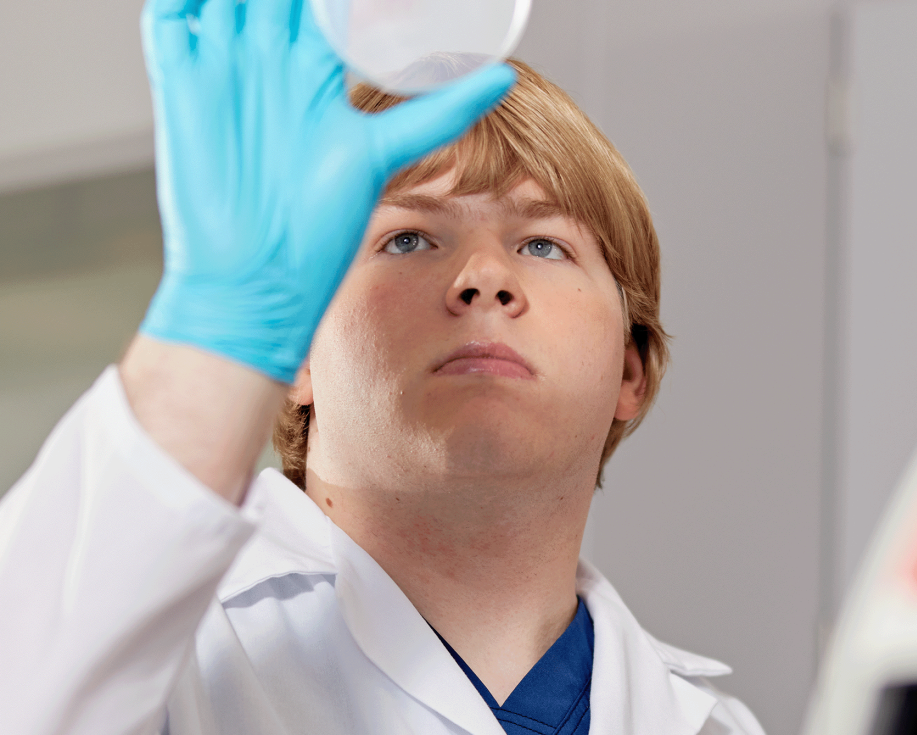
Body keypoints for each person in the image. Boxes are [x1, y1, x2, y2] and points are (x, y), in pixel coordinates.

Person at [0, 1, 765, 733]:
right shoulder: (173, 656)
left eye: (542, 244)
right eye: (408, 239)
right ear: (296, 356)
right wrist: (217, 319)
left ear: (630, 370)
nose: (485, 278)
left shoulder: (716, 726)